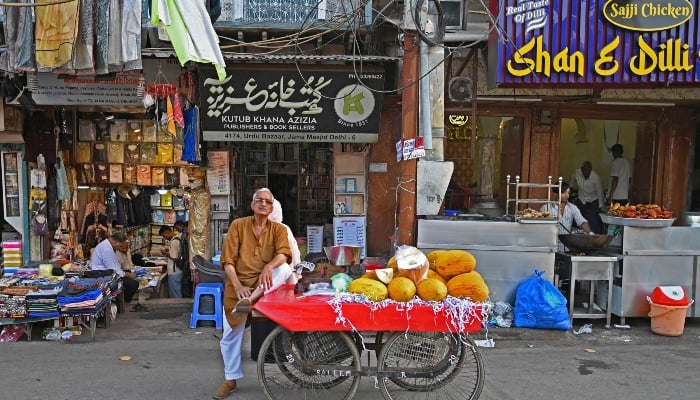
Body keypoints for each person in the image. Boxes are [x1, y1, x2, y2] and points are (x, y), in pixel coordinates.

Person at [213, 188, 292, 400]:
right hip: (237, 287)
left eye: (268, 201)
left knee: (283, 268)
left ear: (272, 207)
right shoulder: (238, 225)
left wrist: (269, 266)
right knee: (230, 336)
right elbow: (227, 261)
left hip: (262, 287)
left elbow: (284, 254)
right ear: (252, 204)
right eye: (259, 200)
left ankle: (252, 297)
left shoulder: (278, 229)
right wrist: (238, 286)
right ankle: (230, 380)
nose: (263, 204)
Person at [541, 182, 594, 252]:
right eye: (564, 193)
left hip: (567, 247)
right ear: (555, 193)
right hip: (550, 246)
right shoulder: (546, 208)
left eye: (568, 193)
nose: (567, 195)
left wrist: (590, 233)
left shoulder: (573, 208)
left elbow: (581, 221)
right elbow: (542, 227)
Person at [90, 231, 139, 303]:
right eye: (120, 246)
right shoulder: (107, 249)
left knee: (128, 277)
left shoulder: (107, 245)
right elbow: (114, 270)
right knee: (133, 284)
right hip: (103, 274)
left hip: (107, 272)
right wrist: (129, 275)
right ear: (117, 242)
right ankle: (123, 302)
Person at [570, 161, 605, 233]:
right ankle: (575, 232)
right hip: (582, 198)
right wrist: (571, 189)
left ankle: (594, 234)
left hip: (593, 199)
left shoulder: (596, 177)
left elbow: (600, 192)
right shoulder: (577, 173)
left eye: (588, 170)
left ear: (591, 169)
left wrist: (600, 205)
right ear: (582, 169)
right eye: (584, 169)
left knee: (593, 216)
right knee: (573, 212)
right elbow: (572, 181)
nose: (586, 171)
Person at [159, 225, 183, 298]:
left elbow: (174, 257)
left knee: (175, 293)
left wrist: (165, 253)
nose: (165, 238)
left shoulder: (174, 241)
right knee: (178, 291)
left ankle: (177, 307)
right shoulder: (179, 238)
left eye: (164, 236)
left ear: (167, 232)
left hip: (174, 271)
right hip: (179, 270)